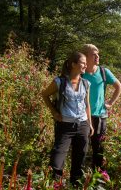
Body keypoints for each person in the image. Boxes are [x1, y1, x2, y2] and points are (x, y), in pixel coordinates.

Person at [42, 52, 94, 185]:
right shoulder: (59, 82)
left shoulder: (86, 83)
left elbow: (87, 105)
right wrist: (54, 112)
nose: (85, 65)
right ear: (73, 64)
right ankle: (54, 185)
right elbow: (45, 95)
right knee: (57, 160)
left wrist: (90, 124)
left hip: (83, 125)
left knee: (79, 159)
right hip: (65, 126)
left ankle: (75, 185)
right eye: (83, 62)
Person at [81, 44, 121, 170]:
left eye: (98, 54)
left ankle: (97, 174)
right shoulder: (80, 72)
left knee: (98, 147)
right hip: (82, 116)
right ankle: (79, 176)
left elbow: (119, 87)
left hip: (100, 116)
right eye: (94, 54)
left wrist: (110, 103)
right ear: (86, 56)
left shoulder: (104, 72)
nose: (97, 56)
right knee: (82, 146)